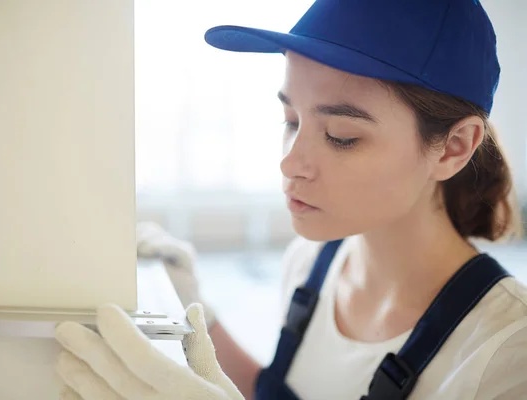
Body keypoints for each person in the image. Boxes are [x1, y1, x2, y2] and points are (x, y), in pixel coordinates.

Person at [53, 0, 527, 399]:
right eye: (291, 120)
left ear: (455, 147)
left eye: (341, 136)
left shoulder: (507, 351)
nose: (290, 162)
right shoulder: (310, 263)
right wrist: (198, 315)